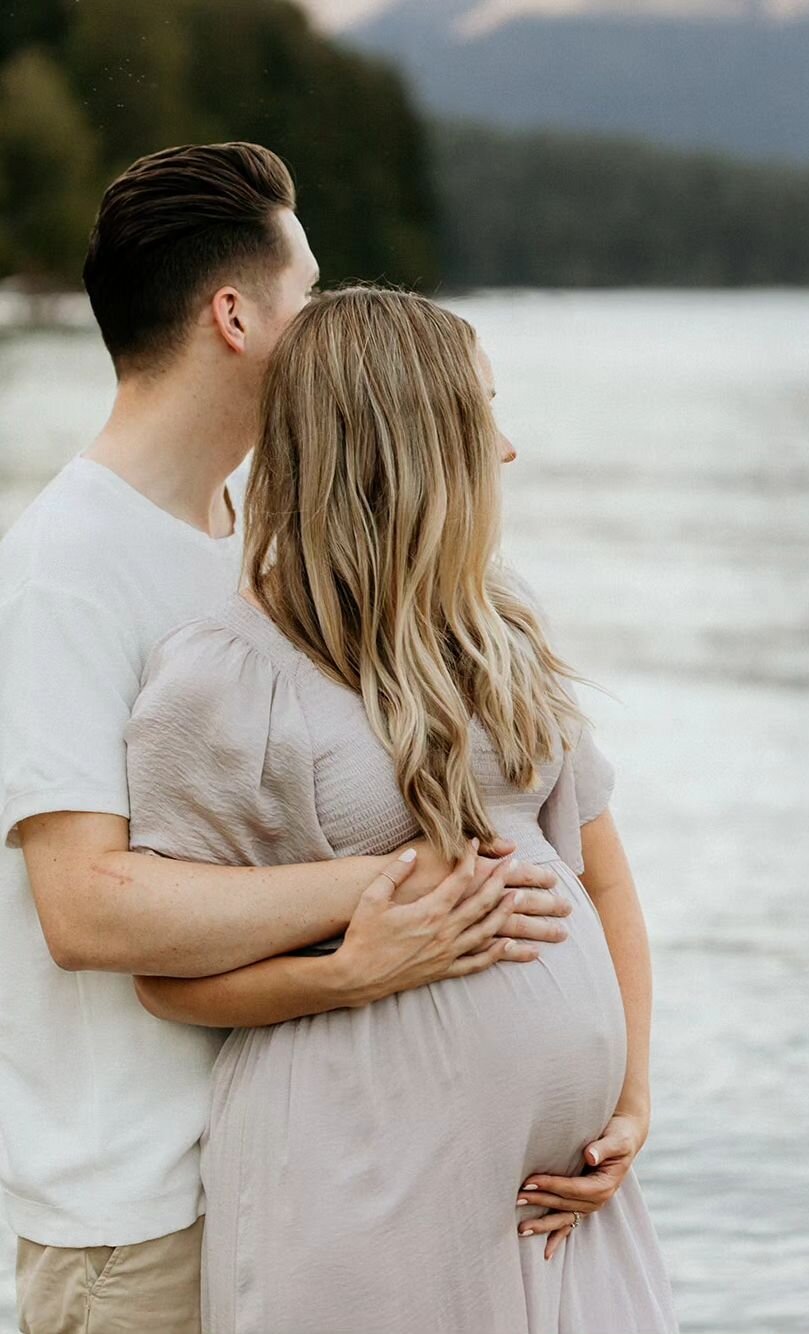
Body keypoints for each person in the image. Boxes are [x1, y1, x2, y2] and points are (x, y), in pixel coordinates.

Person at [0, 144, 571, 1334]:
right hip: (137, 1218)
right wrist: (391, 889)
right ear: (234, 315)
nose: (324, 320)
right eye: (307, 292)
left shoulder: (246, 534)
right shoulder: (64, 566)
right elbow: (87, 906)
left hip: (289, 1172)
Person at [126, 284, 680, 1333]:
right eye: (483, 413)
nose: (506, 449)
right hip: (361, 1180)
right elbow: (162, 973)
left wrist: (630, 1100)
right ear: (408, 440)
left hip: (560, 1205)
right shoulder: (226, 679)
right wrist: (343, 972)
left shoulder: (494, 628)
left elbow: (601, 872)